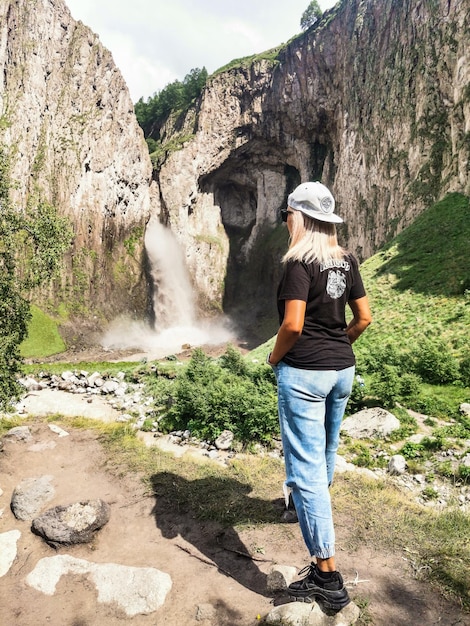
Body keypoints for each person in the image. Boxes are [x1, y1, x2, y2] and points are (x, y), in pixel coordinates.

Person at [267, 181, 372, 611]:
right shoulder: (346, 260)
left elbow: (292, 326)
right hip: (341, 371)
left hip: (305, 374)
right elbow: (364, 317)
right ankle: (307, 512)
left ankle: (327, 576)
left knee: (306, 471)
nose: (285, 222)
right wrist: (337, 344)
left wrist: (275, 358)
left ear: (300, 217)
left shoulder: (298, 262)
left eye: (287, 214)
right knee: (324, 456)